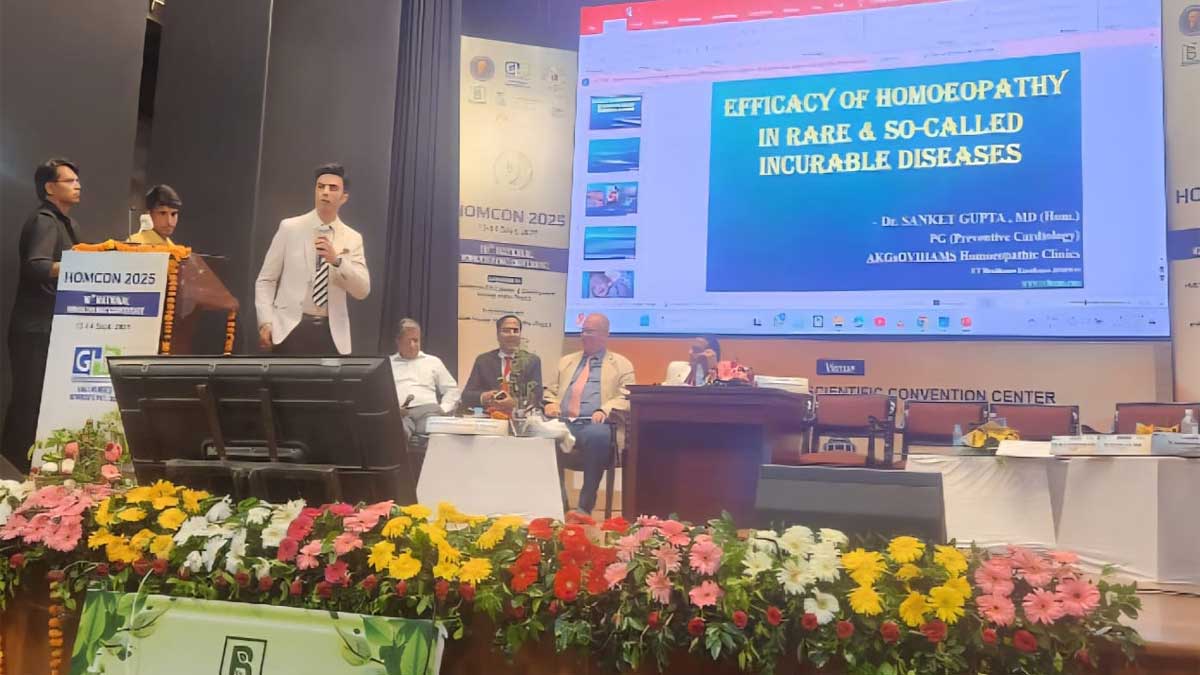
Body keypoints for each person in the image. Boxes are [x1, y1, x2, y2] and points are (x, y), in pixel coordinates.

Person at [2, 159, 83, 473]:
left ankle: (25, 469)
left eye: (77, 180)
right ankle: (12, 471)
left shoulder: (65, 223)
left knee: (38, 402)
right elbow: (36, 266)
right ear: (50, 187)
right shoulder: (44, 221)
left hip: (50, 327)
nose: (78, 185)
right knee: (29, 401)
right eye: (69, 181)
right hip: (34, 329)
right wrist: (81, 266)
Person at [254, 163, 369, 355]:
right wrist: (266, 321)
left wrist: (337, 261)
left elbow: (362, 290)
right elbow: (266, 280)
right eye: (320, 186)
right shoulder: (290, 228)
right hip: (289, 329)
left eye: (333, 188)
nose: (325, 192)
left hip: (332, 334)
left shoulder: (352, 238)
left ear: (344, 198)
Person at [544, 313, 635, 514]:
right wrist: (551, 403)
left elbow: (626, 396)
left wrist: (605, 409)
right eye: (583, 331)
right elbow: (550, 391)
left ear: (605, 334)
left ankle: (584, 507)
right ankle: (560, 505)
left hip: (596, 424)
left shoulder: (621, 364)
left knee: (597, 435)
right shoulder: (566, 361)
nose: (584, 336)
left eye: (590, 332)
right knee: (545, 435)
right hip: (564, 421)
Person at [390, 318, 460, 437]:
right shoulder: (388, 363)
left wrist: (443, 409)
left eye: (415, 340)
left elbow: (452, 389)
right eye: (408, 341)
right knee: (396, 433)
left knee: (437, 432)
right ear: (398, 341)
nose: (413, 345)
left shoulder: (433, 361)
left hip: (428, 411)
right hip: (400, 414)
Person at [461, 315, 543, 413]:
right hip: (490, 416)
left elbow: (537, 397)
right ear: (498, 335)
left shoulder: (532, 361)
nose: (511, 334)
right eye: (506, 331)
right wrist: (484, 397)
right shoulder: (483, 360)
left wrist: (515, 403)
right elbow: (466, 396)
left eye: (515, 331)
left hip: (519, 416)